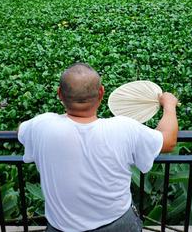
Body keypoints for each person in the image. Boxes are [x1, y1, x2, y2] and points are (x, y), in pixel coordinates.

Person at [17, 62, 179, 232]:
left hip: (62, 228)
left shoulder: (42, 126)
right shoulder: (124, 128)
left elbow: (21, 130)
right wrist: (169, 105)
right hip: (118, 225)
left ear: (60, 94)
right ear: (101, 92)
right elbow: (168, 141)